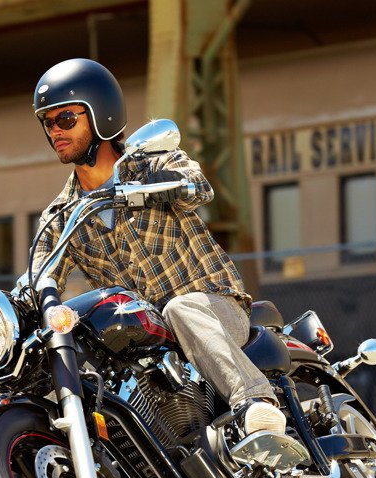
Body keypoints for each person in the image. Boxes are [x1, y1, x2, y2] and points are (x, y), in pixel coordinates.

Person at [27, 58, 285, 437]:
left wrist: (156, 187)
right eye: (47, 123)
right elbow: (39, 277)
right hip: (145, 335)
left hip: (212, 306)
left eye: (65, 119)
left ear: (101, 115)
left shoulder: (150, 165)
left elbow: (198, 187)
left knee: (180, 308)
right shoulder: (62, 214)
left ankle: (256, 403)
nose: (55, 131)